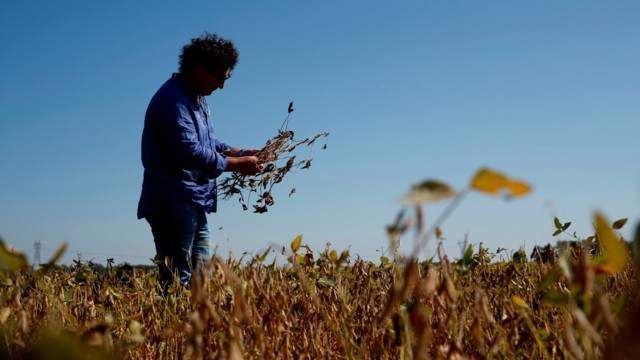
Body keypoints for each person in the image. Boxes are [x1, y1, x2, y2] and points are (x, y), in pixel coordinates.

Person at [137, 33, 260, 287]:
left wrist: (240, 152)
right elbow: (189, 151)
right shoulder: (173, 100)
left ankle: (193, 324)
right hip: (172, 200)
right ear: (199, 68)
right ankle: (172, 325)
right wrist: (237, 166)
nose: (222, 86)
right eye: (220, 78)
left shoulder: (196, 100)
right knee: (177, 278)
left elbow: (208, 143)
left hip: (193, 199)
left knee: (200, 278)